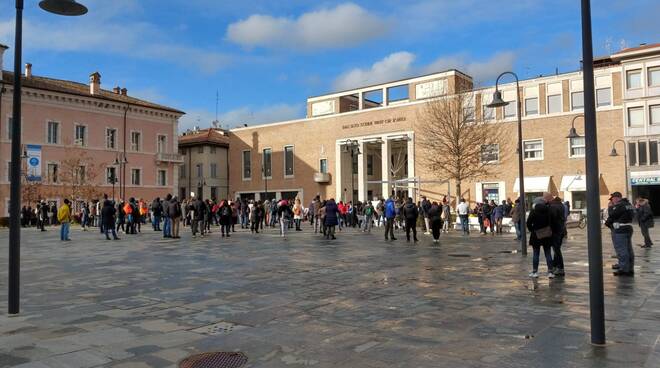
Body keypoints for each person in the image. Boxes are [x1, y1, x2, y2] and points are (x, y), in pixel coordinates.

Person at [606, 192, 635, 276]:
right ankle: (629, 268)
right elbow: (633, 214)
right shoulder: (628, 204)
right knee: (629, 250)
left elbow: (612, 214)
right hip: (628, 228)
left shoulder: (620, 205)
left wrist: (610, 207)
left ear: (616, 198)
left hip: (620, 229)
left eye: (613, 199)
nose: (612, 201)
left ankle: (624, 269)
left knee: (622, 250)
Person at [526, 202, 554, 279]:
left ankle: (535, 272)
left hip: (536, 235)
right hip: (547, 235)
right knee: (548, 253)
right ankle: (550, 272)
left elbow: (528, 223)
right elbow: (552, 222)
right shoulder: (548, 212)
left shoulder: (533, 212)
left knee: (536, 254)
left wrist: (532, 230)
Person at [545, 193, 567, 277]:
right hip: (560, 229)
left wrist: (549, 228)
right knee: (556, 249)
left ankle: (560, 268)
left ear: (548, 199)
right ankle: (555, 266)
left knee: (556, 249)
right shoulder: (560, 205)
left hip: (555, 231)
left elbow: (552, 219)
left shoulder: (553, 206)